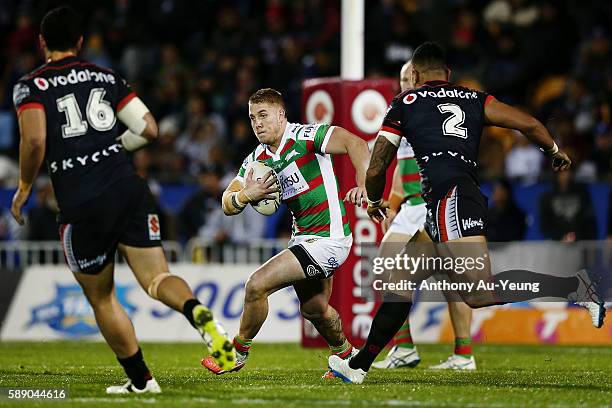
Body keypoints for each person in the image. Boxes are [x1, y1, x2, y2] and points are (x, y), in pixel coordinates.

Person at [328, 42, 606, 384]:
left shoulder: (407, 101)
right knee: (398, 277)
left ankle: (575, 287)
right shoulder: (474, 98)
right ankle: (358, 367)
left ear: (413, 75)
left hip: (451, 201)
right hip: (448, 201)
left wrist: (373, 199)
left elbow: (378, 166)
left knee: (478, 293)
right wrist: (554, 150)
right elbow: (529, 123)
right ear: (447, 75)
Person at [10, 6, 234, 394]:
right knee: (157, 278)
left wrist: (25, 186)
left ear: (42, 42)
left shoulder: (30, 86)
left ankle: (142, 381)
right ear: (80, 43)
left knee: (102, 298)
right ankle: (199, 314)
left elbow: (34, 140)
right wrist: (111, 147)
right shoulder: (105, 75)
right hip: (128, 186)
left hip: (81, 200)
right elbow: (148, 128)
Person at [202, 88, 369, 376]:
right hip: (303, 239)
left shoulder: (306, 137)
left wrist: (365, 184)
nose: (257, 124)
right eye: (253, 117)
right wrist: (245, 195)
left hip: (329, 238)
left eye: (264, 115)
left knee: (256, 285)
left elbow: (356, 144)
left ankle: (236, 354)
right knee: (315, 308)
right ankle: (348, 358)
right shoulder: (257, 159)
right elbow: (227, 202)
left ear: (281, 115)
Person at [373, 61, 476, 371]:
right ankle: (407, 348)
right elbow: (401, 174)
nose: (407, 82)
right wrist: (390, 205)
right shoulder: (404, 112)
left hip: (432, 204)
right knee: (386, 268)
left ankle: (461, 353)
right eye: (402, 78)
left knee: (451, 278)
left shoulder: (425, 112)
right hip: (412, 207)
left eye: (410, 77)